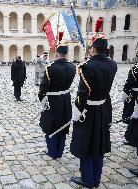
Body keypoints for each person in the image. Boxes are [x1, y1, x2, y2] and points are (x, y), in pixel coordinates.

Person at [70, 34, 117, 188]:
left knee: (87, 145)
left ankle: (87, 180)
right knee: (98, 146)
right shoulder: (113, 64)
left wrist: (76, 114)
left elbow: (82, 95)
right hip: (103, 109)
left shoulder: (87, 66)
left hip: (88, 112)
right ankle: (96, 179)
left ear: (94, 49)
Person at [38, 40, 76, 159]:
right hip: (65, 99)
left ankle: (52, 152)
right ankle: (59, 152)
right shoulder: (72, 67)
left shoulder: (50, 68)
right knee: (63, 125)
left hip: (52, 100)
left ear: (56, 53)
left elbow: (43, 89)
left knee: (51, 126)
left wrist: (43, 103)